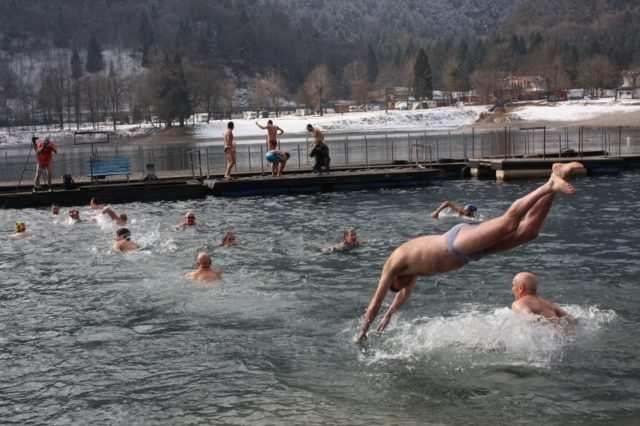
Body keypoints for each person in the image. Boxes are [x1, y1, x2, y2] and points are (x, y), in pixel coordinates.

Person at [356, 162, 585, 342]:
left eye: (400, 284)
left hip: (454, 243)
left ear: (394, 278)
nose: (406, 284)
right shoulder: (408, 275)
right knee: (528, 232)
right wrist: (388, 317)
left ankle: (548, 186)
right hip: (468, 254)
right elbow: (399, 299)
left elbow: (376, 301)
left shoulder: (393, 263)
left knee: (508, 223)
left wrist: (363, 331)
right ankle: (556, 177)